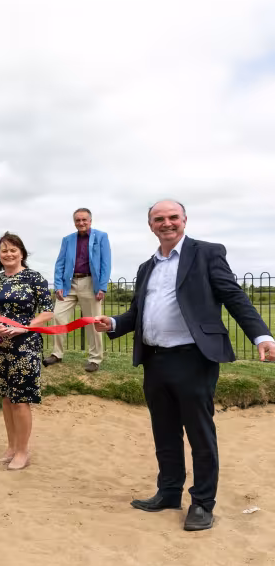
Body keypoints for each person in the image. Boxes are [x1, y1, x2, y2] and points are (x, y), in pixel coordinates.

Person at [94, 200, 275, 532]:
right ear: (150, 225)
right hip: (155, 359)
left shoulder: (206, 253)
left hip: (194, 358)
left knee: (199, 433)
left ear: (184, 220)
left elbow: (234, 296)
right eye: (159, 219)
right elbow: (138, 313)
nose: (167, 223)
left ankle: (203, 503)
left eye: (173, 217)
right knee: (165, 431)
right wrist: (114, 323)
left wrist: (262, 335)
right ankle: (169, 492)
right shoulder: (146, 267)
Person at [0, 233, 54, 470]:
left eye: (13, 249)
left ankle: (23, 451)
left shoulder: (34, 278)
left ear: (22, 253)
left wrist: (23, 327)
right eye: (4, 251)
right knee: (5, 396)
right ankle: (11, 446)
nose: (9, 254)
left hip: (25, 345)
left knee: (20, 399)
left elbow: (47, 311)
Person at [44, 208, 111, 372]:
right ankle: (56, 354)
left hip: (91, 284)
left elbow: (105, 263)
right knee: (58, 317)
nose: (81, 223)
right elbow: (59, 264)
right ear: (74, 222)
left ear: (90, 221)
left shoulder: (101, 237)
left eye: (84, 220)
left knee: (93, 323)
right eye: (77, 220)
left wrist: (102, 287)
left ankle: (95, 359)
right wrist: (58, 285)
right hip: (69, 284)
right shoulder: (67, 240)